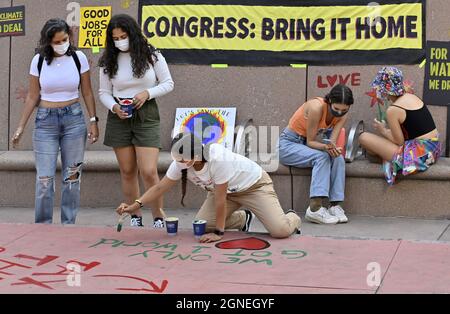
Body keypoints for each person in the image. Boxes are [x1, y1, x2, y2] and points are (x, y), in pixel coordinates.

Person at [116, 132, 301, 243]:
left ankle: (291, 217)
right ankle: (243, 219)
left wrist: (219, 233)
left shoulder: (217, 158)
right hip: (224, 194)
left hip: (253, 186)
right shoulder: (181, 163)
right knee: (202, 226)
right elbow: (159, 188)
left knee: (280, 231)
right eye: (176, 158)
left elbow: (220, 200)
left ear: (197, 154)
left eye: (183, 158)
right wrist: (136, 205)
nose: (178, 162)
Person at [11, 18, 98, 224]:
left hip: (74, 121)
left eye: (64, 39)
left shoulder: (79, 58)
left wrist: (93, 120)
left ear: (70, 37)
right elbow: (33, 95)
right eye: (56, 42)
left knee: (72, 177)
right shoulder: (39, 60)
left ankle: (68, 226)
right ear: (48, 42)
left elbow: (87, 92)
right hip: (45, 123)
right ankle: (43, 227)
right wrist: (21, 126)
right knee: (44, 180)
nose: (61, 44)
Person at [99, 14, 174, 228]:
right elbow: (104, 92)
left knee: (149, 171)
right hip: (119, 114)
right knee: (128, 170)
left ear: (132, 34)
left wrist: (147, 93)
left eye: (123, 36)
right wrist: (114, 107)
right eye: (115, 38)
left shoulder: (152, 54)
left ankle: (158, 214)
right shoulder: (108, 59)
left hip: (146, 112)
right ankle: (135, 214)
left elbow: (168, 83)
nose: (120, 41)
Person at [279, 84, 354, 225]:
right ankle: (315, 209)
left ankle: (335, 206)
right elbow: (311, 142)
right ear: (330, 100)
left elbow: (332, 142)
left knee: (338, 158)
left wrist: (333, 148)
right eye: (336, 109)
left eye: (344, 110)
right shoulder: (316, 107)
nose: (339, 113)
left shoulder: (343, 115)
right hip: (288, 145)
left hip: (307, 146)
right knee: (322, 157)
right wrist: (327, 148)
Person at [359, 66, 441, 185]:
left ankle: (392, 162)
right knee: (372, 150)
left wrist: (383, 130)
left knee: (363, 138)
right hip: (433, 149)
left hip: (418, 156)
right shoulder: (412, 97)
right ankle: (386, 158)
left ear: (385, 90)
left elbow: (399, 142)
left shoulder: (393, 109)